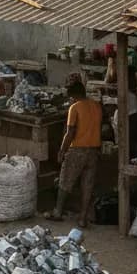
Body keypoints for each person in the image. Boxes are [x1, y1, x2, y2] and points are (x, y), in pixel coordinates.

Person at [48, 78, 102, 226]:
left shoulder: (75, 107)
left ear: (73, 95)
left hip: (77, 149)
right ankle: (82, 218)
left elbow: (70, 132)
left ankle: (57, 212)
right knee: (87, 185)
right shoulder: (96, 106)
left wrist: (62, 150)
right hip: (94, 150)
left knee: (65, 180)